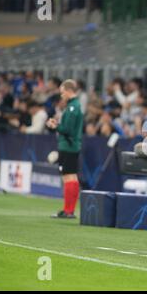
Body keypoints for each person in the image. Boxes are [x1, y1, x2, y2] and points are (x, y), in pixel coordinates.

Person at [46, 79, 84, 219]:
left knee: (68, 176)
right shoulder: (74, 106)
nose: (61, 96)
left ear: (68, 91)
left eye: (62, 93)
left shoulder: (73, 107)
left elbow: (68, 129)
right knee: (71, 176)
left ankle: (68, 210)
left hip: (68, 145)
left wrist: (54, 126)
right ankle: (68, 210)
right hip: (71, 145)